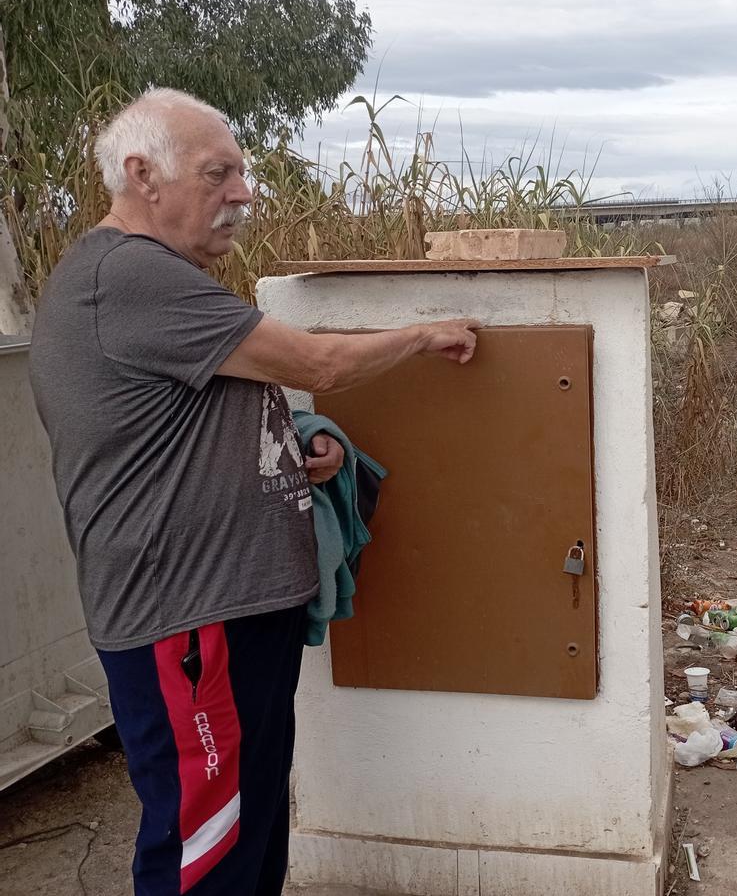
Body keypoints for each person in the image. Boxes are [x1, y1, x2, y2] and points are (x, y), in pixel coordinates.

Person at [27, 87, 479, 896]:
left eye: (242, 173)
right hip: (191, 623)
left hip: (229, 622)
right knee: (205, 854)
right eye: (218, 174)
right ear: (142, 175)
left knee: (250, 833)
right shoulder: (127, 275)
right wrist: (425, 333)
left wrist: (298, 445)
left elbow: (200, 406)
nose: (243, 193)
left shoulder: (153, 276)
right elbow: (315, 363)